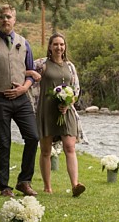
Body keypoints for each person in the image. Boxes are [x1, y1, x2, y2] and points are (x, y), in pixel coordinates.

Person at [0, 3, 39, 197]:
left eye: (9, 17)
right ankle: (4, 186)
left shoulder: (24, 43)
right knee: (4, 141)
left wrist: (25, 88)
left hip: (21, 98)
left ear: (15, 20)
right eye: (2, 17)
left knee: (33, 137)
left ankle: (24, 181)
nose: (5, 20)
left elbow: (31, 73)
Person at [33, 33, 86, 197]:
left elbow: (76, 88)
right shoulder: (42, 64)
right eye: (55, 44)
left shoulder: (70, 66)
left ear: (65, 47)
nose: (59, 47)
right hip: (46, 110)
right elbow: (25, 73)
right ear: (50, 46)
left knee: (70, 146)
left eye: (62, 44)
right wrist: (32, 75)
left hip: (67, 110)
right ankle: (47, 186)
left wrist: (68, 103)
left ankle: (75, 185)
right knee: (46, 150)